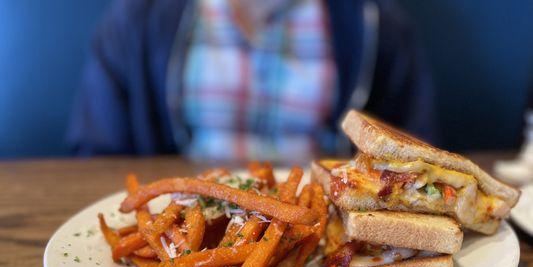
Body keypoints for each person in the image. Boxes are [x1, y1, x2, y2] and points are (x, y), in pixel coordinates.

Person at [67, 0, 436, 162]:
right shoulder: (138, 17)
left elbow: (419, 153)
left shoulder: (379, 23)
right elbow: (96, 152)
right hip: (182, 235)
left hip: (324, 246)